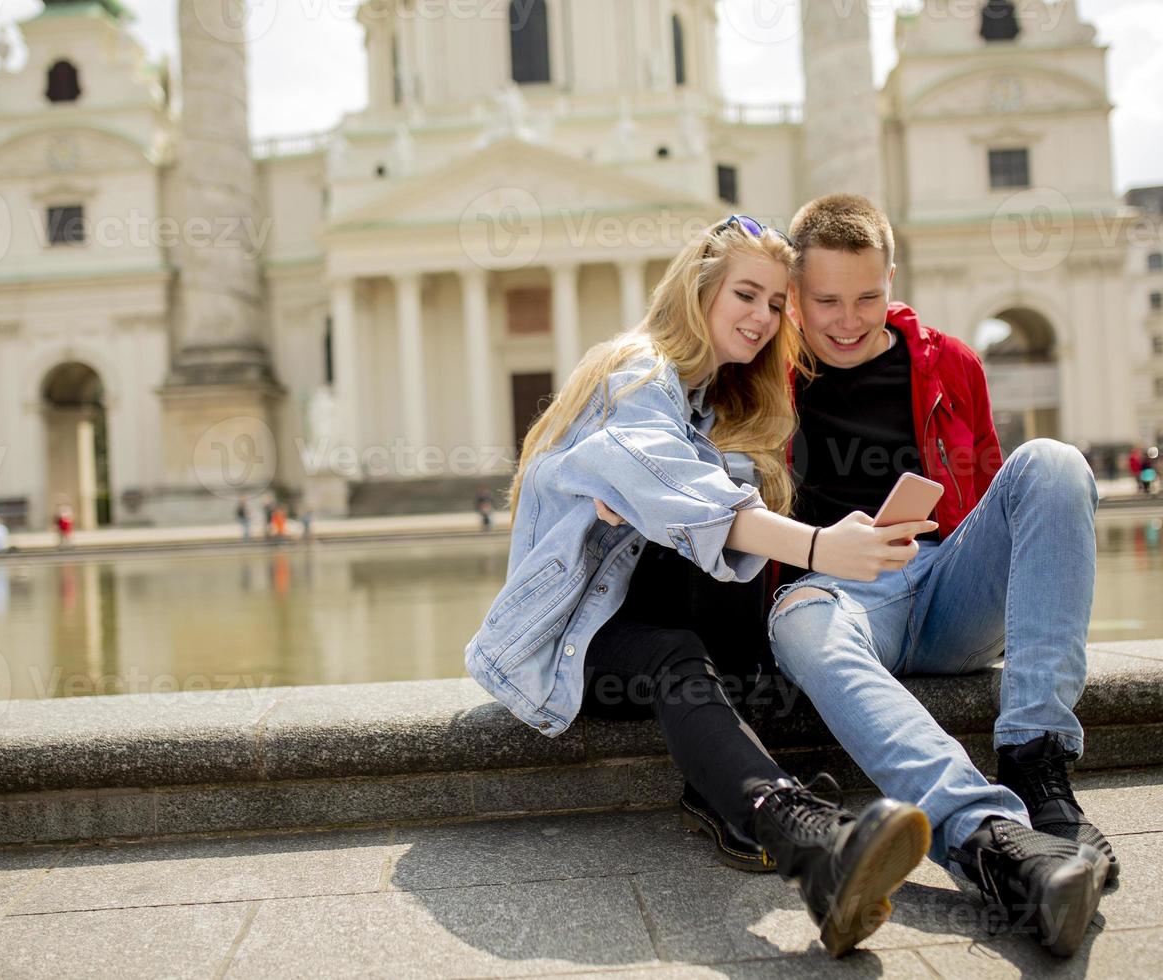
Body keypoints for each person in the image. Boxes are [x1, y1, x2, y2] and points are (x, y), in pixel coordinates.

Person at [466, 215, 937, 958]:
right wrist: (822, 546)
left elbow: (703, 511)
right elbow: (692, 504)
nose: (762, 317)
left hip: (644, 621)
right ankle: (804, 839)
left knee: (738, 500)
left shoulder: (709, 402)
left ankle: (757, 821)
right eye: (745, 295)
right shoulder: (638, 371)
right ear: (700, 291)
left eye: (777, 304)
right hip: (569, 634)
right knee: (685, 624)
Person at [765, 194, 1113, 957]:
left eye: (868, 296)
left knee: (1052, 464)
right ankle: (993, 838)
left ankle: (1037, 762)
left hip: (947, 585)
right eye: (825, 301)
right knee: (796, 621)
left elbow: (997, 489)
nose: (849, 319)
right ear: (794, 294)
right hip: (833, 594)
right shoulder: (759, 372)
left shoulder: (950, 361)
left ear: (892, 276)